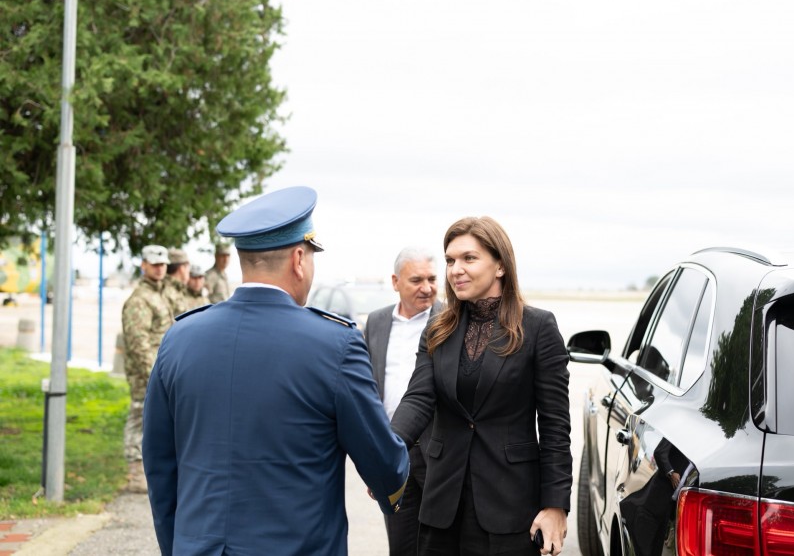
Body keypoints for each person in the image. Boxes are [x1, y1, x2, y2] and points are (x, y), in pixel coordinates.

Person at [142, 186, 410, 556]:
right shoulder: (335, 344)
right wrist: (393, 486)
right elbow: (384, 463)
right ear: (299, 258)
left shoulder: (180, 337)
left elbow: (159, 465)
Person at [391, 216, 572, 556]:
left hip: (510, 508)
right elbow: (418, 399)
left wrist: (555, 505)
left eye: (468, 258)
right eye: (450, 260)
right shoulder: (437, 328)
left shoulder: (537, 328)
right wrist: (386, 450)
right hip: (443, 504)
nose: (455, 269)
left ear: (500, 265)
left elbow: (555, 427)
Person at [364, 247, 442, 556]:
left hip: (439, 455)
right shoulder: (377, 322)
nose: (427, 288)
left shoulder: (451, 318)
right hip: (394, 452)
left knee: (440, 546)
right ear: (396, 282)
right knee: (401, 546)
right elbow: (369, 389)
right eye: (417, 280)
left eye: (432, 279)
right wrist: (376, 458)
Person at [121, 244, 173, 493]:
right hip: (147, 373)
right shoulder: (140, 300)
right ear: (143, 265)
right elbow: (138, 343)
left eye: (163, 264)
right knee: (139, 416)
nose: (160, 268)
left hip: (160, 370)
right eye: (154, 264)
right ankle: (134, 473)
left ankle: (149, 471)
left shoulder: (161, 294)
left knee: (153, 421)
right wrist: (155, 374)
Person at [162, 248, 190, 317]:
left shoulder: (177, 288)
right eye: (187, 267)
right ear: (182, 268)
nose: (189, 271)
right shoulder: (168, 290)